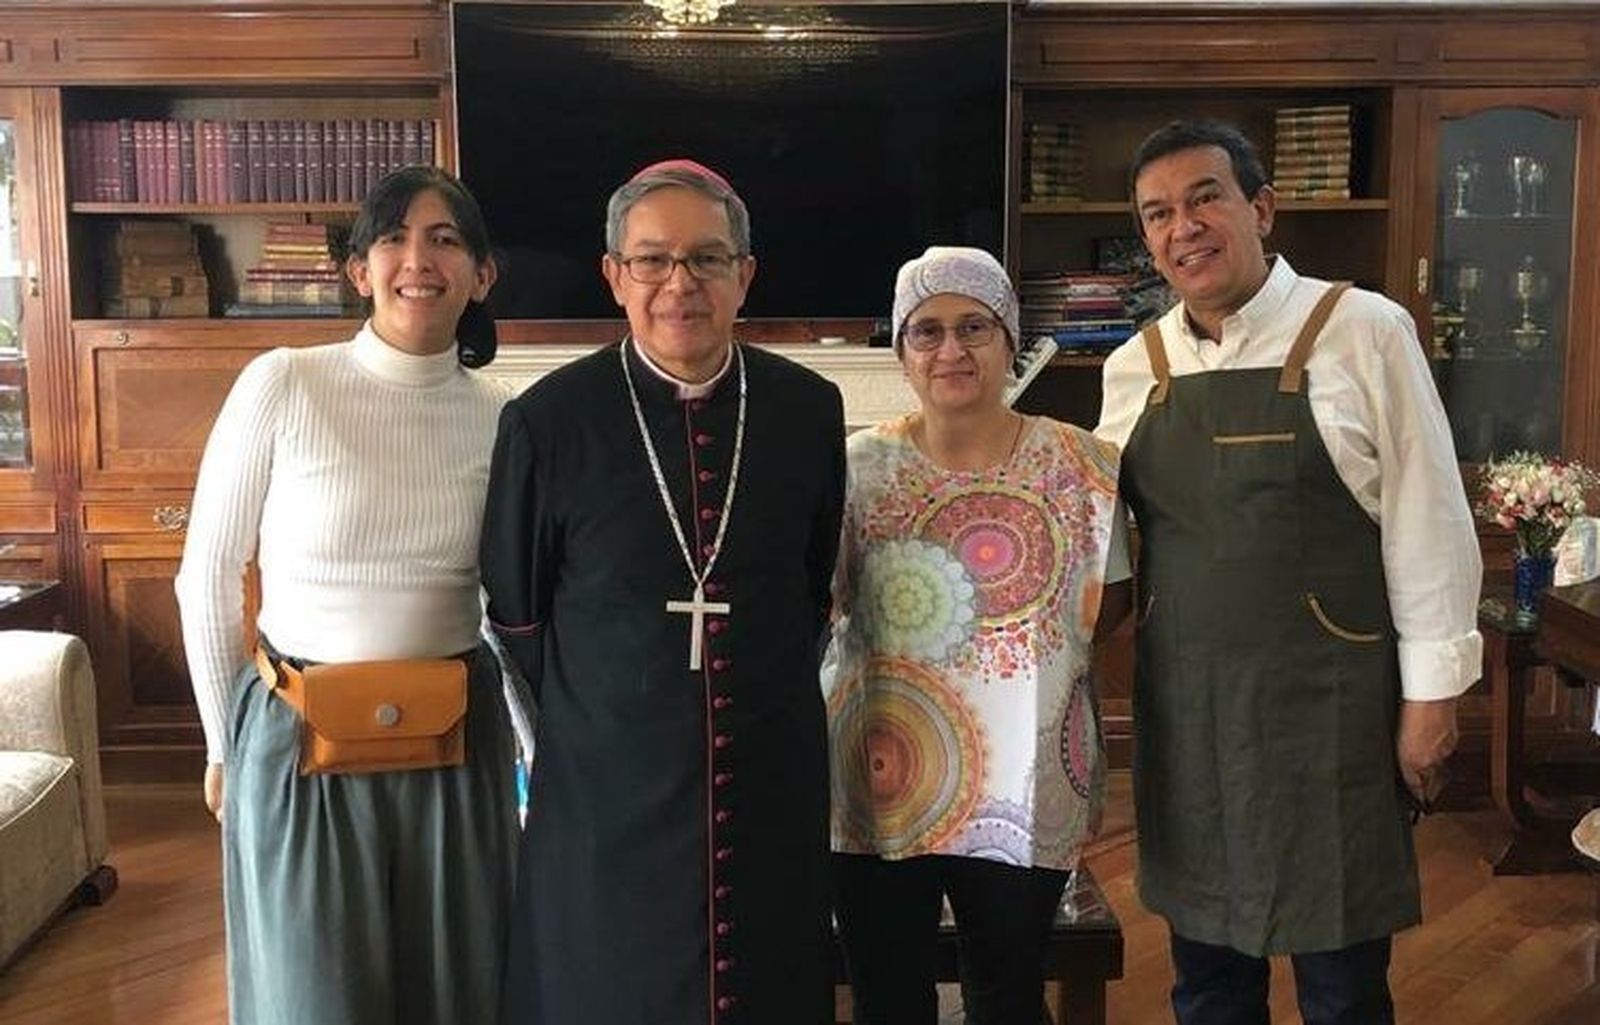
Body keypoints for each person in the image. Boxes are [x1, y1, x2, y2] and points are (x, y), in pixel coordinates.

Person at [1096, 120, 1483, 1024]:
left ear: (1260, 207)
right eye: (1158, 214)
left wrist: (1431, 701)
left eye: (1205, 198)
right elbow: (1097, 547)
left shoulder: (1365, 330)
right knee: (1207, 978)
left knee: (1343, 986)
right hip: (1191, 714)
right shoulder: (1132, 368)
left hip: (1333, 709)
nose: (1182, 227)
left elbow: (1431, 519)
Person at [482, 158, 846, 1025]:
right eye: (652, 260)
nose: (679, 283)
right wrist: (610, 717)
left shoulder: (808, 408)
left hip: (768, 768)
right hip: (609, 779)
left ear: (745, 276)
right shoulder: (545, 421)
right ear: (615, 275)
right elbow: (517, 615)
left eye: (707, 259)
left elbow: (810, 586)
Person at [175, 166, 518, 1025]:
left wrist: (533, 748)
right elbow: (208, 572)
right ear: (359, 269)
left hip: (457, 745)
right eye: (394, 237)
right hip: (296, 737)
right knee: (312, 993)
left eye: (446, 239)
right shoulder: (284, 382)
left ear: (482, 275)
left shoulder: (508, 416)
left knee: (460, 988)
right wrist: (224, 743)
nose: (419, 258)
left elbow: (516, 604)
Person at [823, 246, 1131, 1024]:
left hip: (1022, 783)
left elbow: (1114, 602)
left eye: (974, 327)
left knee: (1007, 988)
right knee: (888, 989)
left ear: (1009, 339)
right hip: (882, 774)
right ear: (900, 351)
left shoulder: (1083, 465)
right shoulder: (854, 470)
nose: (951, 350)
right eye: (926, 332)